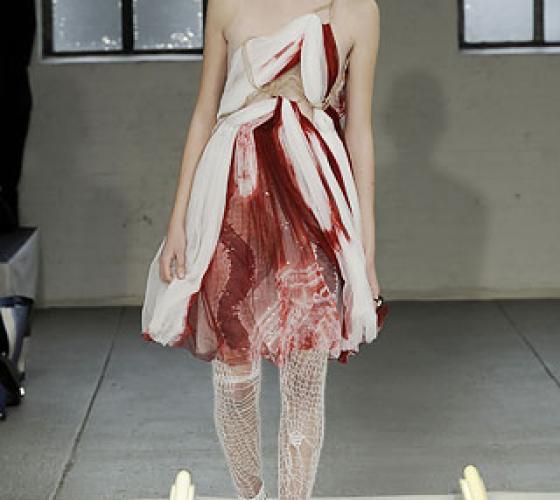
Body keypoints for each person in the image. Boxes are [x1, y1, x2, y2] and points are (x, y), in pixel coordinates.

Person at [141, 0, 381, 498]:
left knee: (305, 375)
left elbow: (359, 130)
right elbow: (204, 111)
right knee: (235, 370)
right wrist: (178, 220)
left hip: (312, 198)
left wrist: (366, 249)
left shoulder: (358, 10)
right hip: (233, 190)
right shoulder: (228, 4)